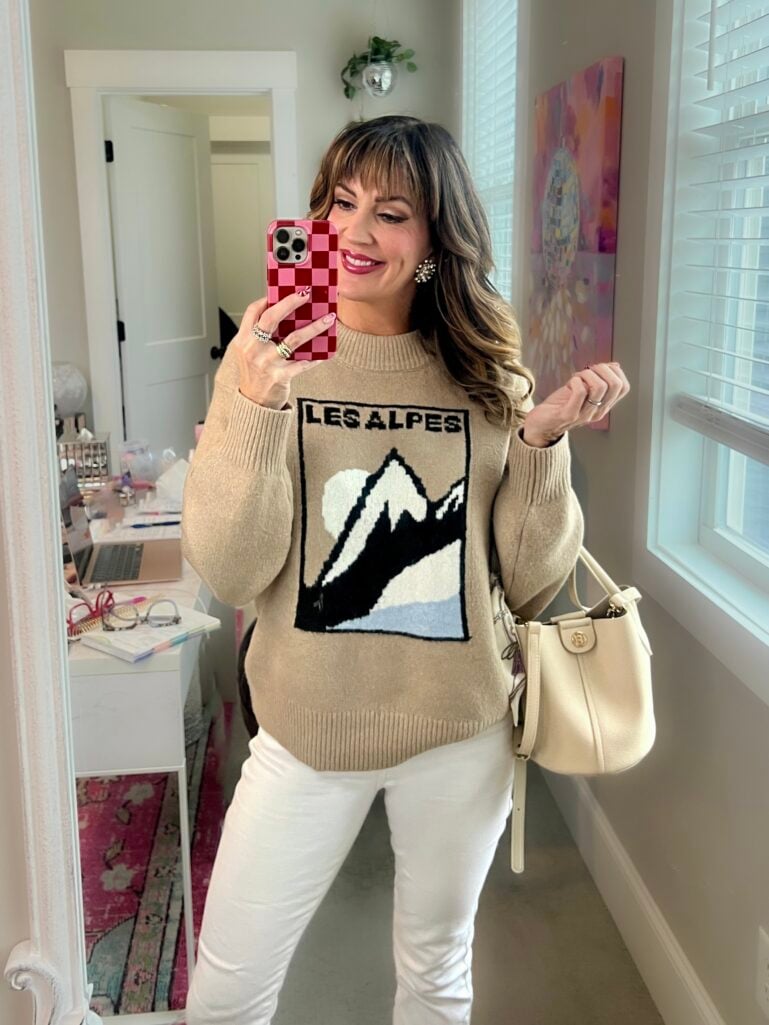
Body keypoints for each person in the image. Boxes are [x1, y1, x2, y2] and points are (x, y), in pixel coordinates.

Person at [181, 114, 630, 1025]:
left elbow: (531, 580)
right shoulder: (268, 364)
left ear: (435, 240)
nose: (353, 232)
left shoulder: (485, 376)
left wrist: (540, 442)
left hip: (456, 729)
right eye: (339, 204)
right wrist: (255, 406)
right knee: (226, 990)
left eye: (390, 212)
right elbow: (232, 569)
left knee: (435, 974)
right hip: (305, 730)